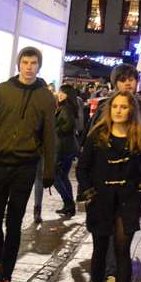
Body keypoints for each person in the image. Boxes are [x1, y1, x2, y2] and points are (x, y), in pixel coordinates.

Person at [77, 91, 141, 282]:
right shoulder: (97, 135)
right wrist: (90, 192)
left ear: (131, 110)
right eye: (115, 107)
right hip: (101, 199)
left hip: (128, 201)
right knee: (100, 250)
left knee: (122, 250)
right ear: (109, 109)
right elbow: (83, 168)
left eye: (124, 107)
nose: (119, 111)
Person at [0, 46, 56, 282]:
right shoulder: (2, 91)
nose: (29, 67)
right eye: (25, 62)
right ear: (18, 64)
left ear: (39, 66)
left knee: (13, 222)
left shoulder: (46, 97)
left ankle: (5, 278)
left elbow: (49, 135)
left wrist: (49, 171)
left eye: (33, 63)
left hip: (25, 165)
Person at [53, 86, 81, 218]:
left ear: (67, 95)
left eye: (62, 93)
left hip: (64, 148)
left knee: (55, 177)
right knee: (63, 176)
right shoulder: (66, 107)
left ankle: (69, 203)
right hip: (68, 148)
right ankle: (68, 206)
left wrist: (55, 129)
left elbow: (67, 126)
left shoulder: (66, 108)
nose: (59, 94)